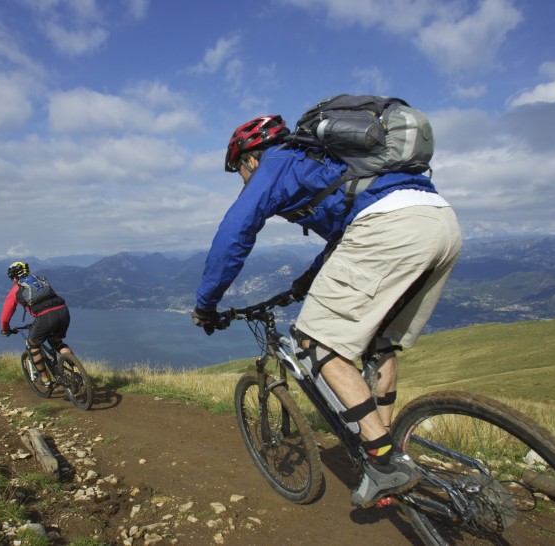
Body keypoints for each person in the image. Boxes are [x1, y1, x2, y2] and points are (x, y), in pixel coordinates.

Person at [192, 114, 462, 508]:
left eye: (239, 171)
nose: (244, 179)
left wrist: (206, 304)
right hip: (439, 221)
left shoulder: (275, 162)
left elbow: (235, 233)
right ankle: (384, 444)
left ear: (249, 158)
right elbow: (343, 238)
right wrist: (303, 284)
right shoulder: (324, 161)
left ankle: (383, 464)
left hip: (390, 226)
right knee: (379, 342)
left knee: (314, 342)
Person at [0, 261, 72, 386]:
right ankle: (77, 370)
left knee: (32, 344)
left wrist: (6, 330)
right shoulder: (39, 280)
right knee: (57, 341)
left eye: (12, 278)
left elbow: (5, 318)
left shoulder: (16, 290)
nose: (12, 280)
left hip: (46, 317)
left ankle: (45, 380)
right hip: (63, 311)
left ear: (15, 277)